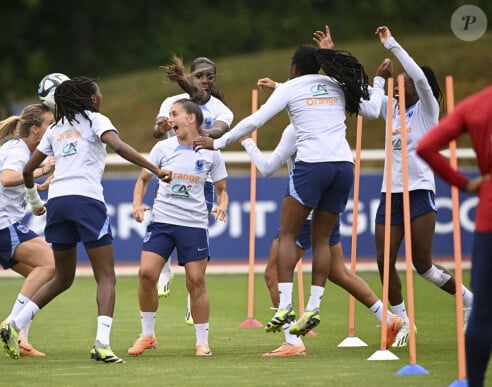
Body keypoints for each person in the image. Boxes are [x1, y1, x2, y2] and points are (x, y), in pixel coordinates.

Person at [194, 37, 370, 338]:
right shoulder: (337, 85)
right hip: (344, 165)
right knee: (325, 244)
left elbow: (258, 121)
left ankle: (287, 307)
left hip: (312, 167)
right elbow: (369, 107)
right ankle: (314, 307)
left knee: (285, 240)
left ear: (293, 68)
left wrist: (220, 142)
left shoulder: (292, 94)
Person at [0, 76, 173, 364]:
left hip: (58, 204)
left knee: (63, 278)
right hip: (87, 202)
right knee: (106, 277)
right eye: (99, 92)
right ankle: (102, 344)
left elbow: (29, 170)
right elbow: (119, 146)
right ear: (92, 99)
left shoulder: (55, 128)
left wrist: (34, 202)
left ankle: (14, 323)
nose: (101, 95)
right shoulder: (95, 120)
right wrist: (155, 168)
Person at [241, 77, 402, 358]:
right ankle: (388, 320)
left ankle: (292, 341)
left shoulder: (295, 131)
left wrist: (246, 143)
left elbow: (267, 166)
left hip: (305, 212)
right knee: (339, 272)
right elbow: (313, 90)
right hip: (327, 205)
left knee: (272, 272)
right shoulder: (324, 127)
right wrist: (279, 86)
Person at [371, 26, 473, 347]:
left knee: (423, 266)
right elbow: (368, 105)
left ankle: (471, 301)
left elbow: (416, 74)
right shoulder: (392, 108)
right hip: (391, 193)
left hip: (419, 192)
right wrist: (376, 78)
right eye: (397, 82)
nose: (399, 85)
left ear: (419, 86)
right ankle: (402, 322)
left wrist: (392, 45)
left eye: (406, 81)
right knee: (384, 262)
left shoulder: (428, 110)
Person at [129, 97, 228, 357]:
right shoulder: (163, 149)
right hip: (162, 221)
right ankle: (148, 335)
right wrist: (137, 204)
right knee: (146, 274)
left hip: (193, 225)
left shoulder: (212, 152)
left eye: (174, 114)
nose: (169, 119)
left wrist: (222, 204)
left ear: (191, 118)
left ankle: (202, 342)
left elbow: (222, 190)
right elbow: (142, 178)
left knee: (196, 281)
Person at [416, 85, 492, 387]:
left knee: (483, 312)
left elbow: (425, 147)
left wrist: (463, 183)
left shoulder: (478, 104)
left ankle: (474, 383)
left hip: (489, 215)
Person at [153, 55, 234, 325]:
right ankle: (164, 271)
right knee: (158, 223)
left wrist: (193, 127)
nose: (205, 81)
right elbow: (156, 133)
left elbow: (219, 132)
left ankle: (193, 296)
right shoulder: (170, 104)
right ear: (189, 77)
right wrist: (163, 127)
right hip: (170, 173)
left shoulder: (222, 109)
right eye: (199, 76)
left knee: (198, 239)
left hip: (202, 178)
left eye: (210, 75)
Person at [0, 103, 56, 357]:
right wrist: (42, 169)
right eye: (49, 125)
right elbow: (8, 178)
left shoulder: (19, 149)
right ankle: (12, 323)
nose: (53, 129)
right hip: (0, 225)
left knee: (40, 278)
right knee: (51, 264)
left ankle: (21, 338)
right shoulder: (18, 150)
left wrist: (39, 190)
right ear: (36, 130)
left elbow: (20, 181)